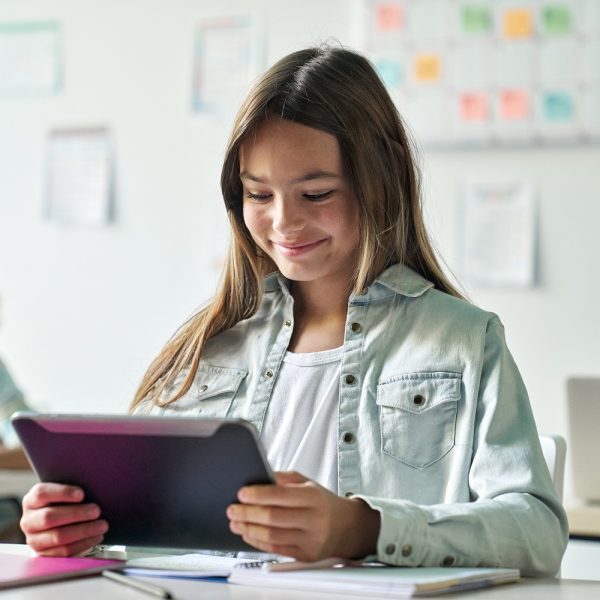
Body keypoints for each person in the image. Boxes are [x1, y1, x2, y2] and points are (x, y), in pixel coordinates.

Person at [19, 45, 568, 575]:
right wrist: (80, 535)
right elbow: (140, 543)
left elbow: (535, 529)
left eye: (316, 193)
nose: (283, 223)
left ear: (378, 180)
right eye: (259, 195)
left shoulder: (464, 343)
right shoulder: (210, 349)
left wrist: (364, 529)